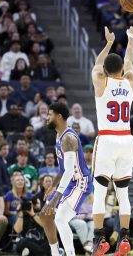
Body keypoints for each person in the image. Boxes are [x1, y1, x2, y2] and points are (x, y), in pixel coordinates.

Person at [90, 25, 133, 256]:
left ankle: (99, 239)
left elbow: (96, 66)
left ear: (106, 70)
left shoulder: (101, 81)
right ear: (121, 69)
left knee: (100, 192)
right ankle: (124, 237)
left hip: (108, 139)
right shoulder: (129, 82)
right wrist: (130, 39)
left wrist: (108, 43)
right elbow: (130, 61)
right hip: (126, 141)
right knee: (123, 193)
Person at [41, 102, 92, 256]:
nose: (46, 118)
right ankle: (55, 252)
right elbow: (63, 169)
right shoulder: (59, 135)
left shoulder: (68, 138)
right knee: (45, 215)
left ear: (59, 117)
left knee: (61, 219)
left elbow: (70, 171)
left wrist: (56, 195)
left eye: (49, 115)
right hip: (69, 182)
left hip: (80, 183)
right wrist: (52, 187)